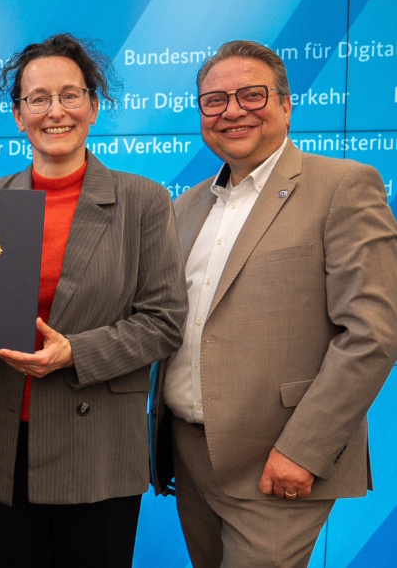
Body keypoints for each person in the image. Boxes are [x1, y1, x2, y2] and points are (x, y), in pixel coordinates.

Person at [0, 33, 187, 567]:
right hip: (2, 448)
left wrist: (75, 353)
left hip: (97, 453)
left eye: (70, 95)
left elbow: (164, 322)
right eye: (37, 99)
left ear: (93, 107)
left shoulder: (142, 201)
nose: (55, 111)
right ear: (19, 116)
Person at [152, 40, 397, 567]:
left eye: (252, 95)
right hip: (190, 457)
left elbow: (373, 334)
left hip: (277, 462)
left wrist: (304, 450)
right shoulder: (185, 206)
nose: (232, 111)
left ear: (286, 105)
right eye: (215, 100)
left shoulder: (343, 187)